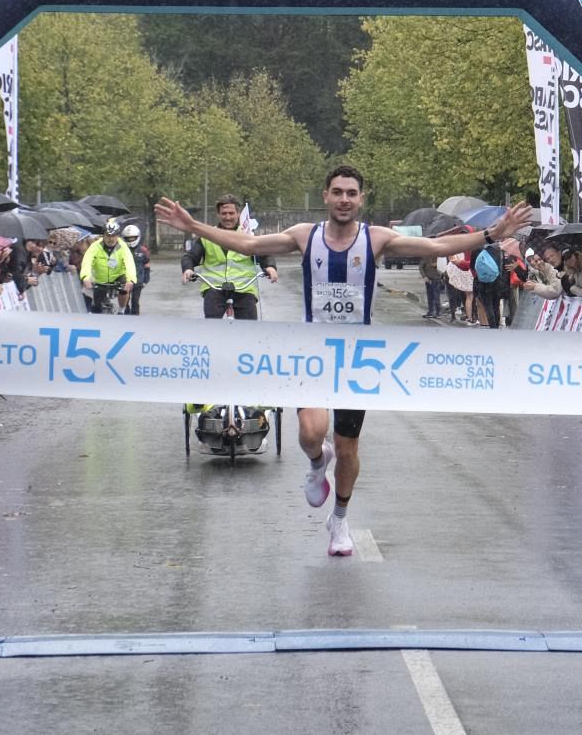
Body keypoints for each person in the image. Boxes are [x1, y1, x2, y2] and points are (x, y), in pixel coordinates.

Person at [157, 165, 531, 556]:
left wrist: (492, 234)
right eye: (337, 192)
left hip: (355, 357)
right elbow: (250, 246)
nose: (344, 199)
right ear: (325, 196)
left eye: (351, 193)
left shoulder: (376, 239)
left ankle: (339, 519)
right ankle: (318, 464)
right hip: (313, 352)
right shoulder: (306, 236)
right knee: (309, 433)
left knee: (349, 448)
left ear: (361, 199)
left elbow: (437, 247)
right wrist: (193, 227)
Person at [181, 195, 277, 319]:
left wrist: (270, 267)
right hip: (214, 288)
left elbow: (265, 254)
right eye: (224, 213)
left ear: (238, 213)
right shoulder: (207, 236)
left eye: (231, 213)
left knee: (249, 329)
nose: (228, 217)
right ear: (218, 214)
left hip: (244, 289)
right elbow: (190, 256)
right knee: (211, 326)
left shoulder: (248, 235)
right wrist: (188, 269)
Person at [81, 220, 136, 314]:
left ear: (117, 236)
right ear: (103, 235)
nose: (111, 239)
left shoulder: (123, 247)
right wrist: (86, 277)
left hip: (118, 275)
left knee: (124, 290)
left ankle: (121, 310)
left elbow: (129, 263)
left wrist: (130, 279)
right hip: (101, 278)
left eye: (113, 236)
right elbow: (87, 261)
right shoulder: (95, 246)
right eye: (108, 236)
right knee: (96, 308)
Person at [124, 225, 151, 315]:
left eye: (132, 238)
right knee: (125, 301)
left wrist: (146, 278)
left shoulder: (143, 250)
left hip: (138, 280)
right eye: (128, 238)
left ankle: (135, 319)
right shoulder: (122, 249)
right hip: (125, 280)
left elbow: (147, 264)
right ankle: (125, 317)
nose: (131, 240)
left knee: (135, 301)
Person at [419, 252, 445, 319]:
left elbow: (443, 267)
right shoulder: (426, 256)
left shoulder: (440, 257)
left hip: (436, 279)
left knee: (436, 295)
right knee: (430, 296)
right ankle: (431, 311)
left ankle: (437, 312)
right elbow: (421, 267)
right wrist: (424, 276)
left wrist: (438, 265)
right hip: (429, 279)